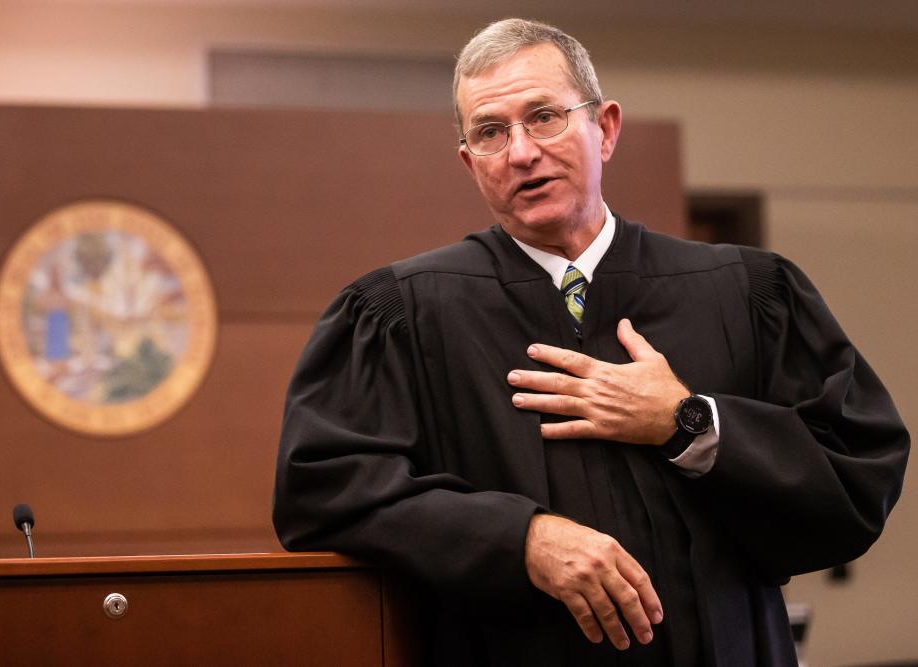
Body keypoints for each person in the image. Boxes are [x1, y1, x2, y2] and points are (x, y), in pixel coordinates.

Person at [273, 18, 909, 666]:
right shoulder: (402, 314)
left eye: (544, 116)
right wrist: (521, 538)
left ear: (604, 128)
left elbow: (855, 483)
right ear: (470, 161)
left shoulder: (745, 292)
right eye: (491, 132)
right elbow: (322, 490)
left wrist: (688, 422)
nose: (521, 151)